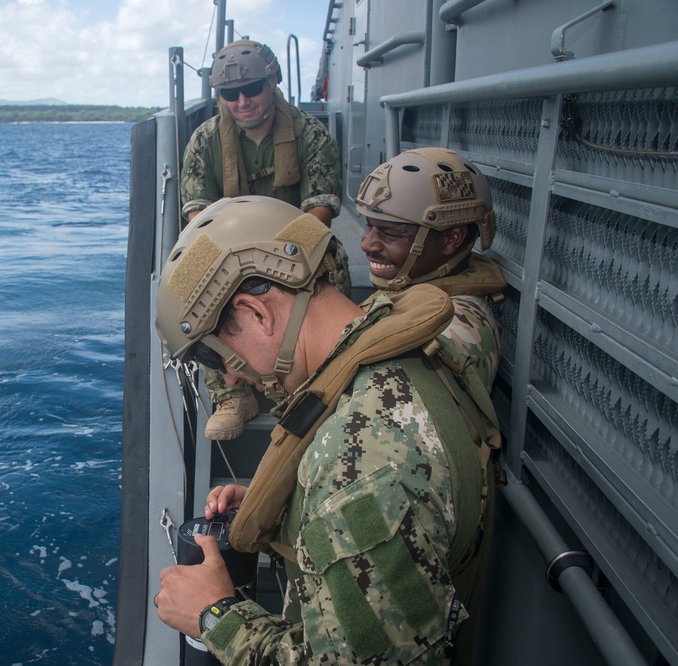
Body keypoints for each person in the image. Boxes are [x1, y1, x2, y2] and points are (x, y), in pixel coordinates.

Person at [153, 196, 499, 664]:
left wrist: (213, 615)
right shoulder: (400, 346)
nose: (230, 377)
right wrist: (301, 498)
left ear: (258, 312)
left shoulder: (356, 467)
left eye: (214, 355)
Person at [179, 39, 348, 440]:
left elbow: (319, 212)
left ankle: (321, 378)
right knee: (194, 280)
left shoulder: (310, 134)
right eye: (230, 94)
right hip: (231, 248)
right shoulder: (205, 141)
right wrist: (239, 262)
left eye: (251, 89)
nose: (242, 102)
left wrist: (279, 259)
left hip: (293, 244)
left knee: (332, 256)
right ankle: (231, 395)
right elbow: (197, 216)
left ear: (273, 82)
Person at [355, 147, 506, 392]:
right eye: (369, 227)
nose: (366, 244)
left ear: (451, 239)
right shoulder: (417, 288)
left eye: (389, 233)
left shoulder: (448, 329)